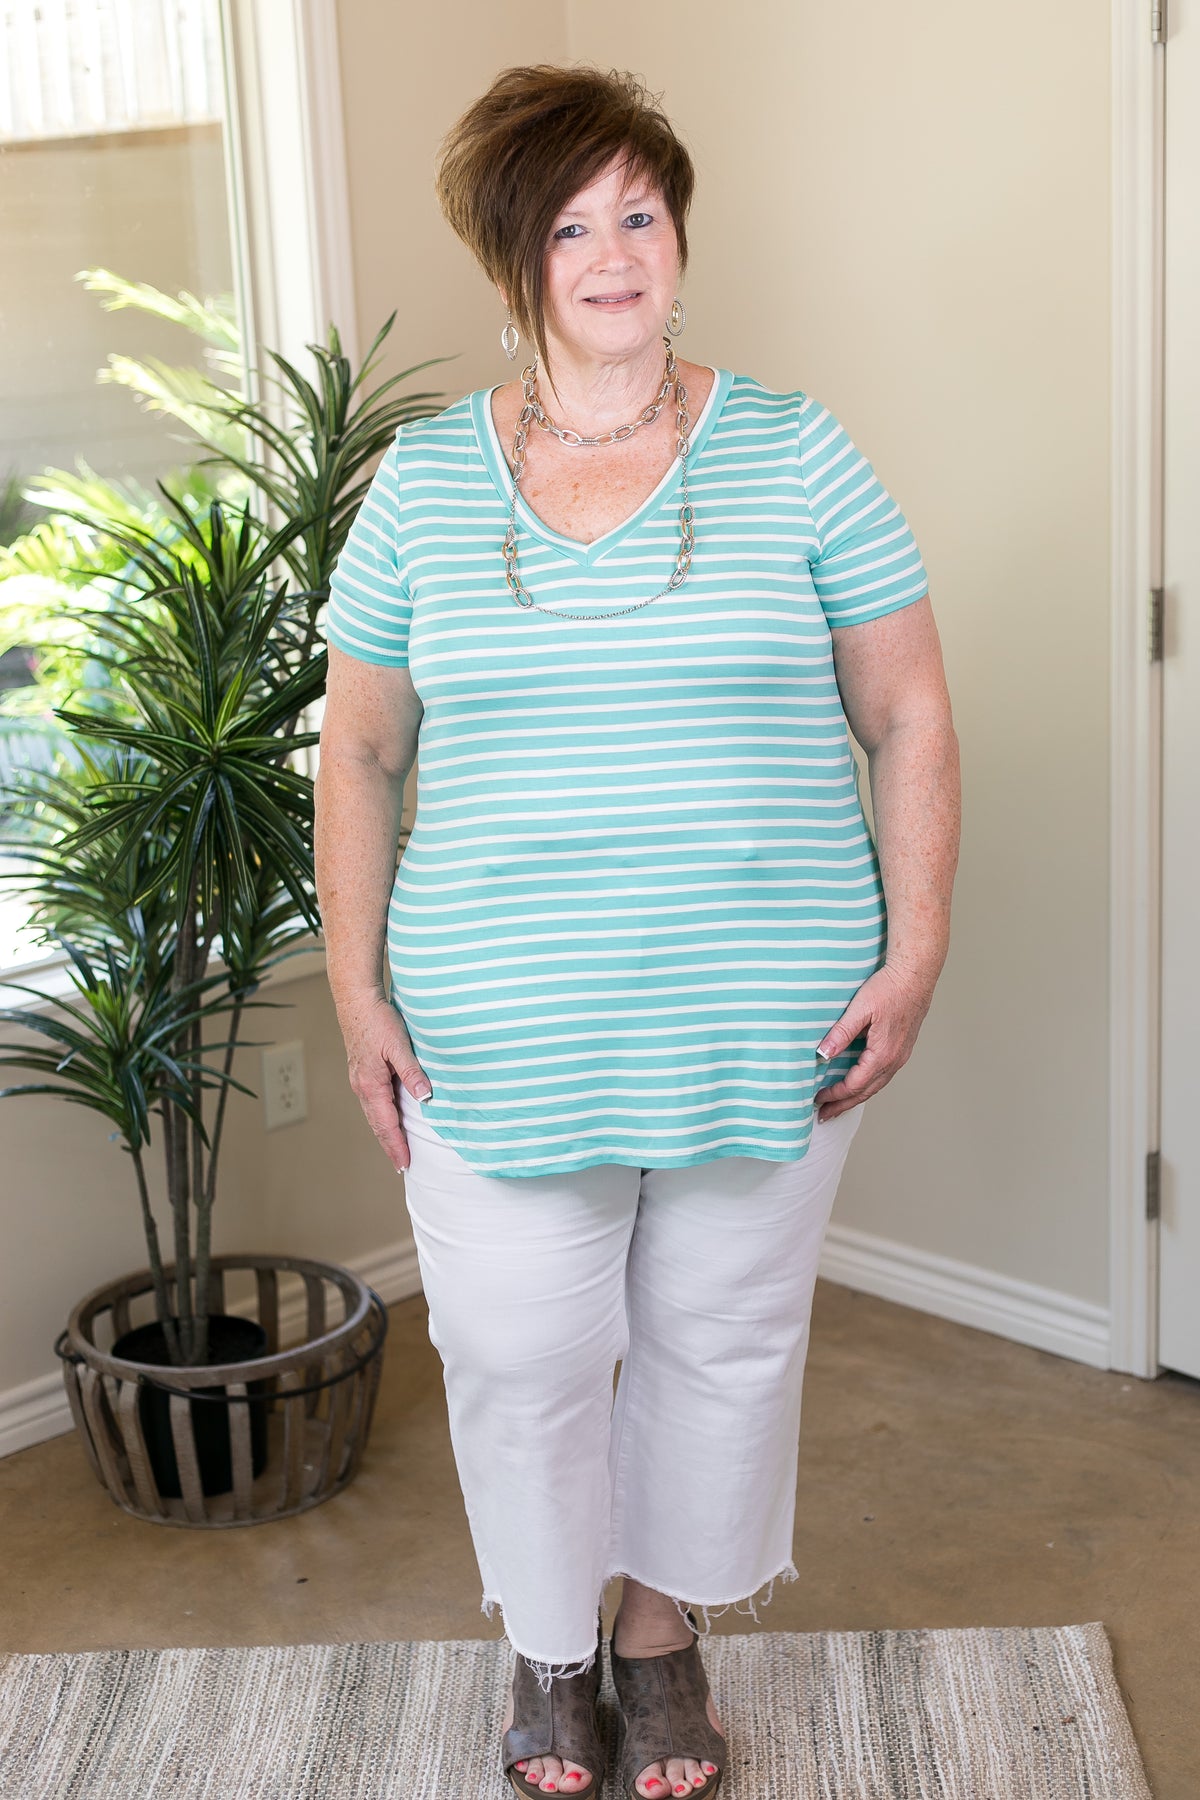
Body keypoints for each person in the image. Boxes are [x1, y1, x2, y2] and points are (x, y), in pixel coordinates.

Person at [313, 62, 960, 1800]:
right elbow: (359, 751)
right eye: (571, 227)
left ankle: (659, 1629)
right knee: (515, 1350)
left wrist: (913, 954)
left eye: (641, 215)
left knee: (722, 1340)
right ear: (512, 258)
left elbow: (908, 712)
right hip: (497, 1024)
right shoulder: (424, 483)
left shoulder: (798, 449)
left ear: (679, 236)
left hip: (768, 1012)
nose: (613, 255)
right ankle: (549, 1634)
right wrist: (357, 991)